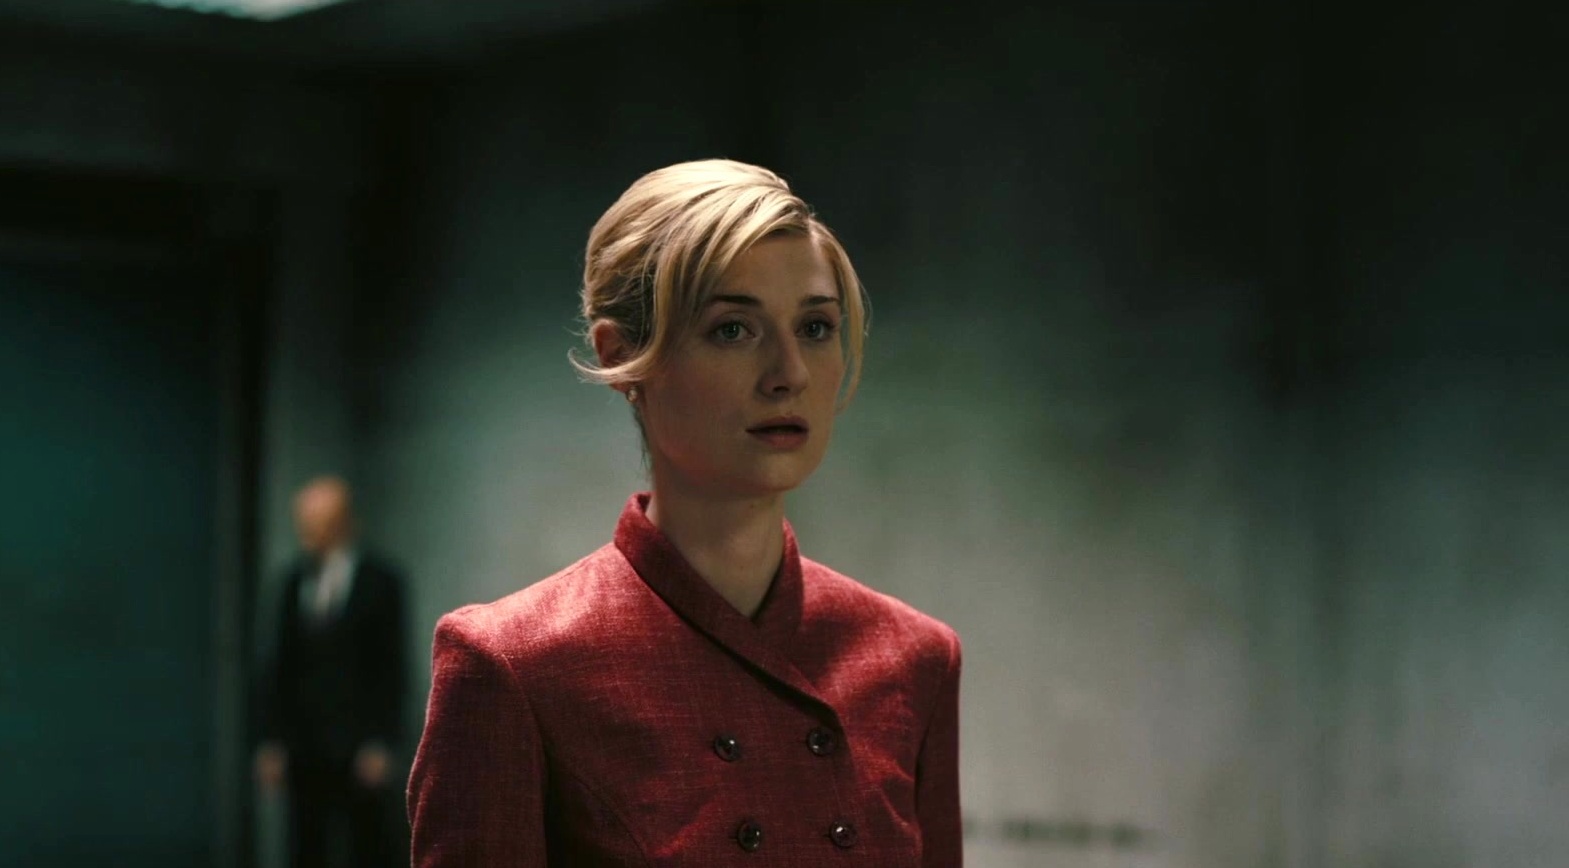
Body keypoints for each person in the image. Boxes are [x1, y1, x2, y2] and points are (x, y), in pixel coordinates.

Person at [407, 159, 963, 865]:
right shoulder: (516, 667)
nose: (789, 372)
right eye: (733, 330)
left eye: (816, 327)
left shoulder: (912, 657)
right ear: (624, 358)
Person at [256, 476, 408, 868]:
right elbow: (281, 667)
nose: (308, 533)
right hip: (304, 744)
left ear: (343, 523)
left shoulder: (381, 583)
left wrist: (381, 740)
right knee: (305, 846)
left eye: (318, 523)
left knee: (367, 846)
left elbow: (391, 667)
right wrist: (272, 739)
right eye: (304, 523)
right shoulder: (293, 582)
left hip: (358, 743)